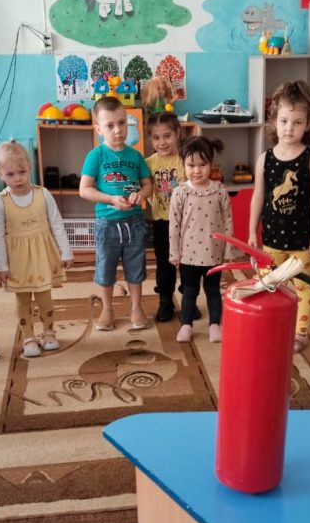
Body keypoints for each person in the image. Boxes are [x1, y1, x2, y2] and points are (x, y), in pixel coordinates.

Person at [248, 80, 310, 353]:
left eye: (297, 122)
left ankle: (300, 333)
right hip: (271, 239)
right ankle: (270, 323)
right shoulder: (265, 159)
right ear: (274, 121)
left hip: (302, 240)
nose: (289, 128)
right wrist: (251, 231)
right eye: (284, 121)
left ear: (307, 124)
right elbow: (258, 197)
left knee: (303, 288)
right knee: (269, 284)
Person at [0, 140, 74, 358]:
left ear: (30, 167)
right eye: (10, 174)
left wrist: (66, 251)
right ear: (0, 174)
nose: (17, 178)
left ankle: (49, 332)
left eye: (22, 172)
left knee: (45, 296)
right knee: (23, 300)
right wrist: (2, 266)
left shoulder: (43, 194)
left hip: (43, 256)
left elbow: (57, 223)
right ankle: (28, 336)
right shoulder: (0, 202)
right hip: (18, 261)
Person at [79, 95, 153, 331]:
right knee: (105, 268)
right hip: (107, 224)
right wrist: (111, 199)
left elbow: (148, 185)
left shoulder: (135, 156)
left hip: (134, 222)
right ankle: (107, 309)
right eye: (110, 125)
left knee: (136, 267)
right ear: (98, 129)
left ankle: (136, 308)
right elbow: (85, 190)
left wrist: (141, 195)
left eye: (122, 123)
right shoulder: (96, 156)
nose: (118, 130)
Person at [169, 135, 233, 343]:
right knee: (189, 291)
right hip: (188, 255)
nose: (197, 170)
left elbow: (228, 221)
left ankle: (215, 324)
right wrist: (174, 252)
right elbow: (174, 225)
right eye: (191, 165)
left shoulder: (219, 190)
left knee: (213, 291)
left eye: (202, 165)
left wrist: (228, 250)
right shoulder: (180, 192)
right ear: (183, 164)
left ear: (211, 164)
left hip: (214, 253)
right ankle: (186, 325)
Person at [145, 111, 186, 321]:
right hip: (162, 223)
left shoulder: (186, 160)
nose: (162, 142)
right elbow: (145, 188)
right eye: (156, 137)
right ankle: (165, 301)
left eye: (167, 136)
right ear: (150, 139)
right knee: (164, 264)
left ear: (177, 133)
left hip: (187, 223)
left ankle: (188, 300)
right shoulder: (148, 163)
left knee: (189, 265)